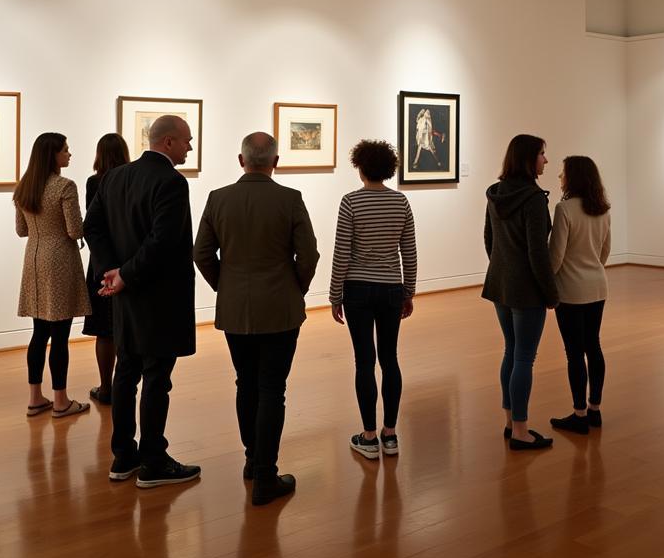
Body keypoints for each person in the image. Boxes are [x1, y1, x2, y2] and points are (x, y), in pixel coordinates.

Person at [193, 132, 319, 506]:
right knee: (271, 389)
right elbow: (308, 255)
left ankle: (253, 459)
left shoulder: (219, 199)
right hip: (280, 308)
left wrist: (225, 285)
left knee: (245, 383)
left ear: (240, 160)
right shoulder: (289, 199)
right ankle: (266, 475)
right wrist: (295, 286)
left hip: (235, 309)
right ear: (275, 162)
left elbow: (201, 253)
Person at [83, 115, 201, 488]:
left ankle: (122, 456)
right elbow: (163, 242)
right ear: (167, 142)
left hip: (125, 294)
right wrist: (126, 274)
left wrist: (112, 270)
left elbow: (93, 227)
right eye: (187, 141)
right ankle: (152, 460)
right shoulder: (171, 181)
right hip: (159, 296)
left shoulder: (114, 177)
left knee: (125, 374)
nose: (190, 147)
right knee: (155, 379)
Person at [329, 139, 417, 460]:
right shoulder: (401, 202)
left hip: (358, 290)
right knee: (390, 359)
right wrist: (409, 291)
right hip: (391, 288)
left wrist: (334, 293)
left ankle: (368, 437)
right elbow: (408, 251)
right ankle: (390, 435)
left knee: (364, 361)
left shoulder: (350, 202)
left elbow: (342, 252)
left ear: (361, 167)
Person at [481, 134, 557, 450]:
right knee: (524, 356)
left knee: (511, 351)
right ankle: (522, 431)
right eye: (542, 154)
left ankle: (510, 421)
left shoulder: (496, 194)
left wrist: (503, 268)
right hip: (526, 290)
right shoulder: (534, 199)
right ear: (529, 159)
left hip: (501, 284)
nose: (546, 160)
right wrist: (550, 293)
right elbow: (538, 253)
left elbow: (489, 240)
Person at [15, 132, 91, 419]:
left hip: (33, 260)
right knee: (59, 336)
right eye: (66, 150)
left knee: (39, 333)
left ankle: (35, 398)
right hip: (59, 260)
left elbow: (22, 230)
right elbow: (75, 230)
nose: (69, 154)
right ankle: (61, 401)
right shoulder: (64, 186)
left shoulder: (24, 187)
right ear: (53, 155)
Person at [548, 156, 612, 435]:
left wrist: (546, 281)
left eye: (562, 174)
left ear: (572, 178)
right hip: (598, 286)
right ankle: (595, 409)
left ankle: (579, 414)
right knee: (593, 346)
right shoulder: (603, 210)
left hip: (571, 291)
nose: (559, 178)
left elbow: (556, 257)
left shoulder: (564, 209)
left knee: (574, 353)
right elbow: (605, 252)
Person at [82, 133, 131, 406]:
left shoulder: (95, 182)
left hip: (102, 260)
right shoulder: (132, 179)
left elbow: (93, 223)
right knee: (128, 323)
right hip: (128, 259)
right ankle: (124, 385)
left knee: (104, 328)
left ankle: (106, 387)